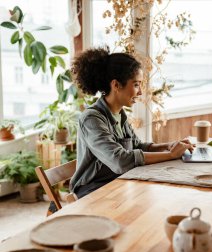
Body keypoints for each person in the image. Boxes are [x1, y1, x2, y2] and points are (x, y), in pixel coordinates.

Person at [69, 47, 193, 198]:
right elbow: (120, 161)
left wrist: (169, 145)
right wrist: (171, 154)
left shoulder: (119, 114)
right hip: (92, 192)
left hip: (118, 184)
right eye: (136, 84)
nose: (140, 92)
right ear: (116, 85)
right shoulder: (92, 119)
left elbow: (137, 146)